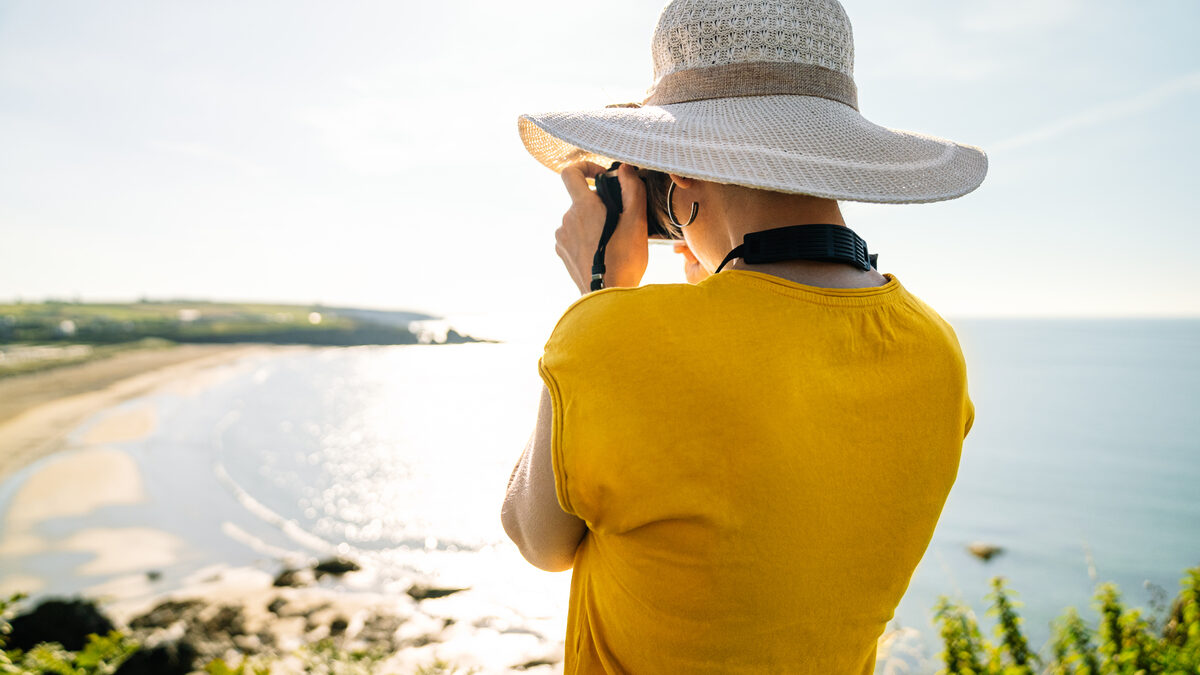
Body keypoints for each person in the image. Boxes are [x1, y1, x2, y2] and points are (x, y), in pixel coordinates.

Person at [501, 0, 984, 672]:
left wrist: (602, 292)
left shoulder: (613, 336)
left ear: (682, 173)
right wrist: (725, 277)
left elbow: (536, 539)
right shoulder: (937, 349)